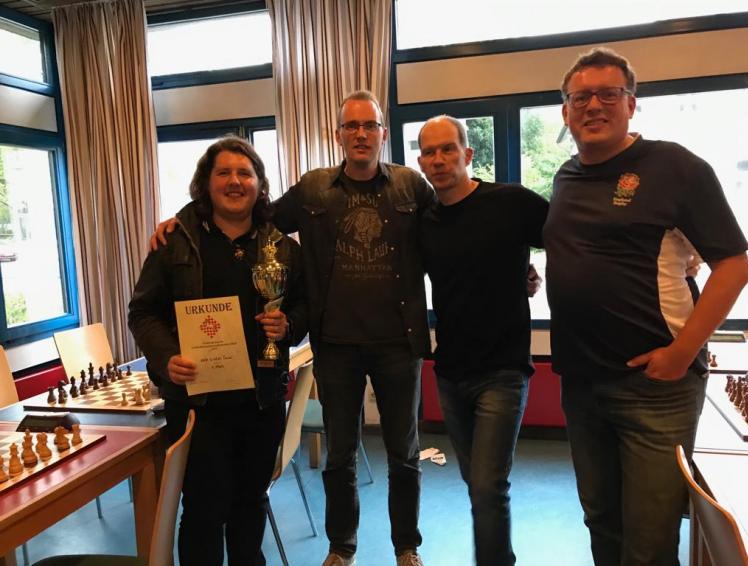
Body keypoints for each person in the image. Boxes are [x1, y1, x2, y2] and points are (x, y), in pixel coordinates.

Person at [151, 91, 433, 566]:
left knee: (404, 454)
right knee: (339, 457)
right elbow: (250, 209)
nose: (361, 134)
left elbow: (451, 228)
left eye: (370, 125)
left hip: (398, 344)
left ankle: (407, 546)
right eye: (351, 126)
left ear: (383, 133)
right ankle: (341, 547)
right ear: (338, 134)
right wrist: (181, 220)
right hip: (336, 345)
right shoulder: (313, 189)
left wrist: (510, 268)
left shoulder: (410, 185)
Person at [544, 47, 748, 565]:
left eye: (608, 94)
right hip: (581, 384)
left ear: (631, 103)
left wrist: (682, 353)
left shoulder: (676, 167)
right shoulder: (566, 176)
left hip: (654, 390)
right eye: (580, 98)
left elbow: (734, 267)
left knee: (650, 542)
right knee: (601, 523)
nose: (594, 105)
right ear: (566, 111)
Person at [128, 136, 307, 566]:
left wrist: (289, 325)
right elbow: (143, 312)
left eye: (245, 173)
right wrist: (165, 357)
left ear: (260, 185)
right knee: (203, 512)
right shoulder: (174, 242)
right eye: (223, 172)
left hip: (261, 402)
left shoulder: (284, 248)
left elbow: (305, 309)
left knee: (250, 506)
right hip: (197, 407)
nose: (234, 181)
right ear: (206, 183)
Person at [416, 115, 548, 566]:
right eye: (429, 152)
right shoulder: (424, 223)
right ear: (420, 162)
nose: (439, 159)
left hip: (503, 370)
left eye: (448, 149)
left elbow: (573, 236)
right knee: (477, 484)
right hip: (450, 372)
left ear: (467, 154)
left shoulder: (510, 202)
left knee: (489, 486)